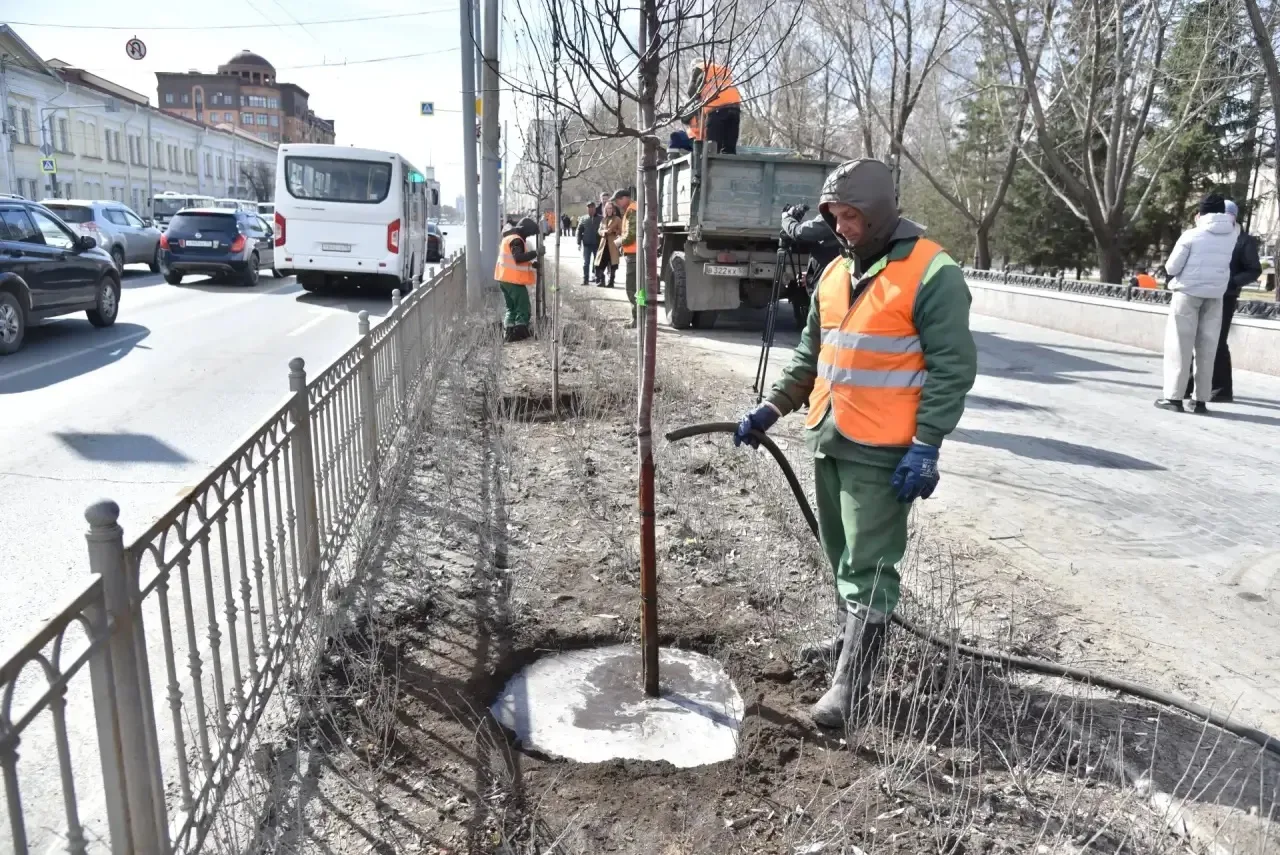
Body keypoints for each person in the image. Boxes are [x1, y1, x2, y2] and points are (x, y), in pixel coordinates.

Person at [733, 159, 977, 728]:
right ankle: (851, 644)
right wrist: (771, 409)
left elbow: (952, 368)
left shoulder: (932, 272)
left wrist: (927, 444)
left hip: (886, 448)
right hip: (831, 435)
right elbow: (809, 358)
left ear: (878, 213)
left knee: (869, 564)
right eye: (834, 216)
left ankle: (850, 685)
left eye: (850, 216)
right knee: (841, 553)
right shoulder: (836, 275)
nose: (841, 227)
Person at [1155, 193, 1236, 413]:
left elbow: (1172, 267)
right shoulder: (1233, 233)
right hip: (1215, 296)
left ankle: (1173, 398)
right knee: (1207, 348)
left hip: (1187, 295)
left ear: (1200, 213)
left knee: (1179, 346)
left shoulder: (1191, 235)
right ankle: (1200, 400)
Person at [1183, 198, 1260, 402]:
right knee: (1193, 339)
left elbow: (1253, 270)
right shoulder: (1207, 235)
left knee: (1217, 342)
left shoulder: (1243, 240)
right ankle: (1188, 385)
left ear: (1233, 217)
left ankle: (1221, 389)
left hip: (1225, 296)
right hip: (1202, 292)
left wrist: (1231, 282)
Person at [495, 216, 540, 341]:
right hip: (513, 280)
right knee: (523, 306)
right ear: (525, 231)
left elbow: (512, 260)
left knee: (511, 308)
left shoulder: (508, 238)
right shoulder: (516, 240)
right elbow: (518, 258)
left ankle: (509, 332)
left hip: (503, 278)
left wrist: (532, 264)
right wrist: (535, 253)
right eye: (529, 234)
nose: (528, 237)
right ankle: (521, 331)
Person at [686, 60, 742, 154]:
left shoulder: (699, 68)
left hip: (717, 106)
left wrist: (697, 99)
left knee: (712, 147)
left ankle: (711, 166)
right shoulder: (722, 68)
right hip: (735, 106)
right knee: (729, 148)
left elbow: (691, 91)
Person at [613, 188, 639, 325]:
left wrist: (619, 241)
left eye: (618, 200)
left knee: (632, 289)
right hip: (636, 255)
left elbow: (631, 234)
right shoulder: (633, 209)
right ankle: (641, 317)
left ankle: (637, 318)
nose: (617, 204)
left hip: (634, 256)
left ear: (625, 198)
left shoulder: (631, 210)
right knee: (639, 289)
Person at [595, 201, 622, 287]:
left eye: (610, 208)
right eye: (607, 208)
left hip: (613, 245)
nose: (609, 210)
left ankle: (611, 282)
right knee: (599, 264)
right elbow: (599, 231)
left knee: (613, 264)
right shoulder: (603, 219)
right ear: (605, 210)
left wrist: (613, 231)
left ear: (613, 209)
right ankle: (602, 280)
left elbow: (621, 231)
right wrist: (604, 232)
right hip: (603, 244)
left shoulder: (617, 219)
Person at [576, 202, 602, 285]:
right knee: (586, 262)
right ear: (587, 209)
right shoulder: (583, 218)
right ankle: (585, 279)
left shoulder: (600, 218)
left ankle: (598, 278)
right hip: (587, 244)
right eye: (589, 208)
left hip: (597, 244)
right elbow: (579, 231)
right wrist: (579, 242)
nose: (590, 209)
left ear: (595, 208)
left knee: (597, 262)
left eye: (592, 208)